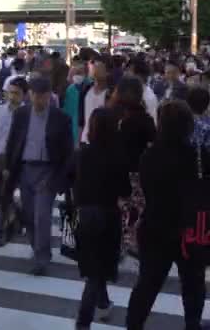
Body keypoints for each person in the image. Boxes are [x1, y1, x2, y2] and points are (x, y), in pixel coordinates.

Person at [126, 101, 207, 330]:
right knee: (193, 284)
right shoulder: (198, 155)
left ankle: (134, 324)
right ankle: (192, 324)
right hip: (189, 229)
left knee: (147, 285)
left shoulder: (149, 156)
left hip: (156, 226)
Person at [2, 77, 74, 276]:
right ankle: (37, 248)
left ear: (49, 96)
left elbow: (68, 151)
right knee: (29, 215)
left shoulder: (60, 118)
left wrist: (61, 177)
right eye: (34, 95)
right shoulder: (22, 114)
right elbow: (13, 141)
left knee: (42, 215)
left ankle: (41, 257)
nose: (38, 100)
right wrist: (9, 167)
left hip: (48, 170)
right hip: (25, 168)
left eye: (42, 96)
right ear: (30, 95)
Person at [74, 108, 131, 329]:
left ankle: (104, 302)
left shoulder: (83, 153)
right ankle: (83, 321)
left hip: (80, 213)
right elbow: (124, 190)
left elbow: (70, 178)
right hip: (106, 215)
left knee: (92, 266)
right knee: (97, 273)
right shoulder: (117, 155)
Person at [112, 77, 156, 257]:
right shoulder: (144, 118)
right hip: (137, 171)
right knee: (135, 210)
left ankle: (119, 244)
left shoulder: (114, 115)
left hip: (115, 169)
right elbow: (153, 143)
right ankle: (133, 242)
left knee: (119, 207)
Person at [0, 77, 27, 248]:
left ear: (24, 95)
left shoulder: (27, 113)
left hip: (21, 158)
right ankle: (2, 231)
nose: (12, 96)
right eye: (10, 92)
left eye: (17, 93)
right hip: (0, 156)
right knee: (4, 195)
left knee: (16, 194)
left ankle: (14, 221)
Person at [80, 57, 112, 144]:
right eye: (94, 65)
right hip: (85, 139)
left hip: (103, 141)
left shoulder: (111, 93)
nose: (95, 68)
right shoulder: (86, 89)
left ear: (107, 72)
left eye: (99, 66)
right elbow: (81, 117)